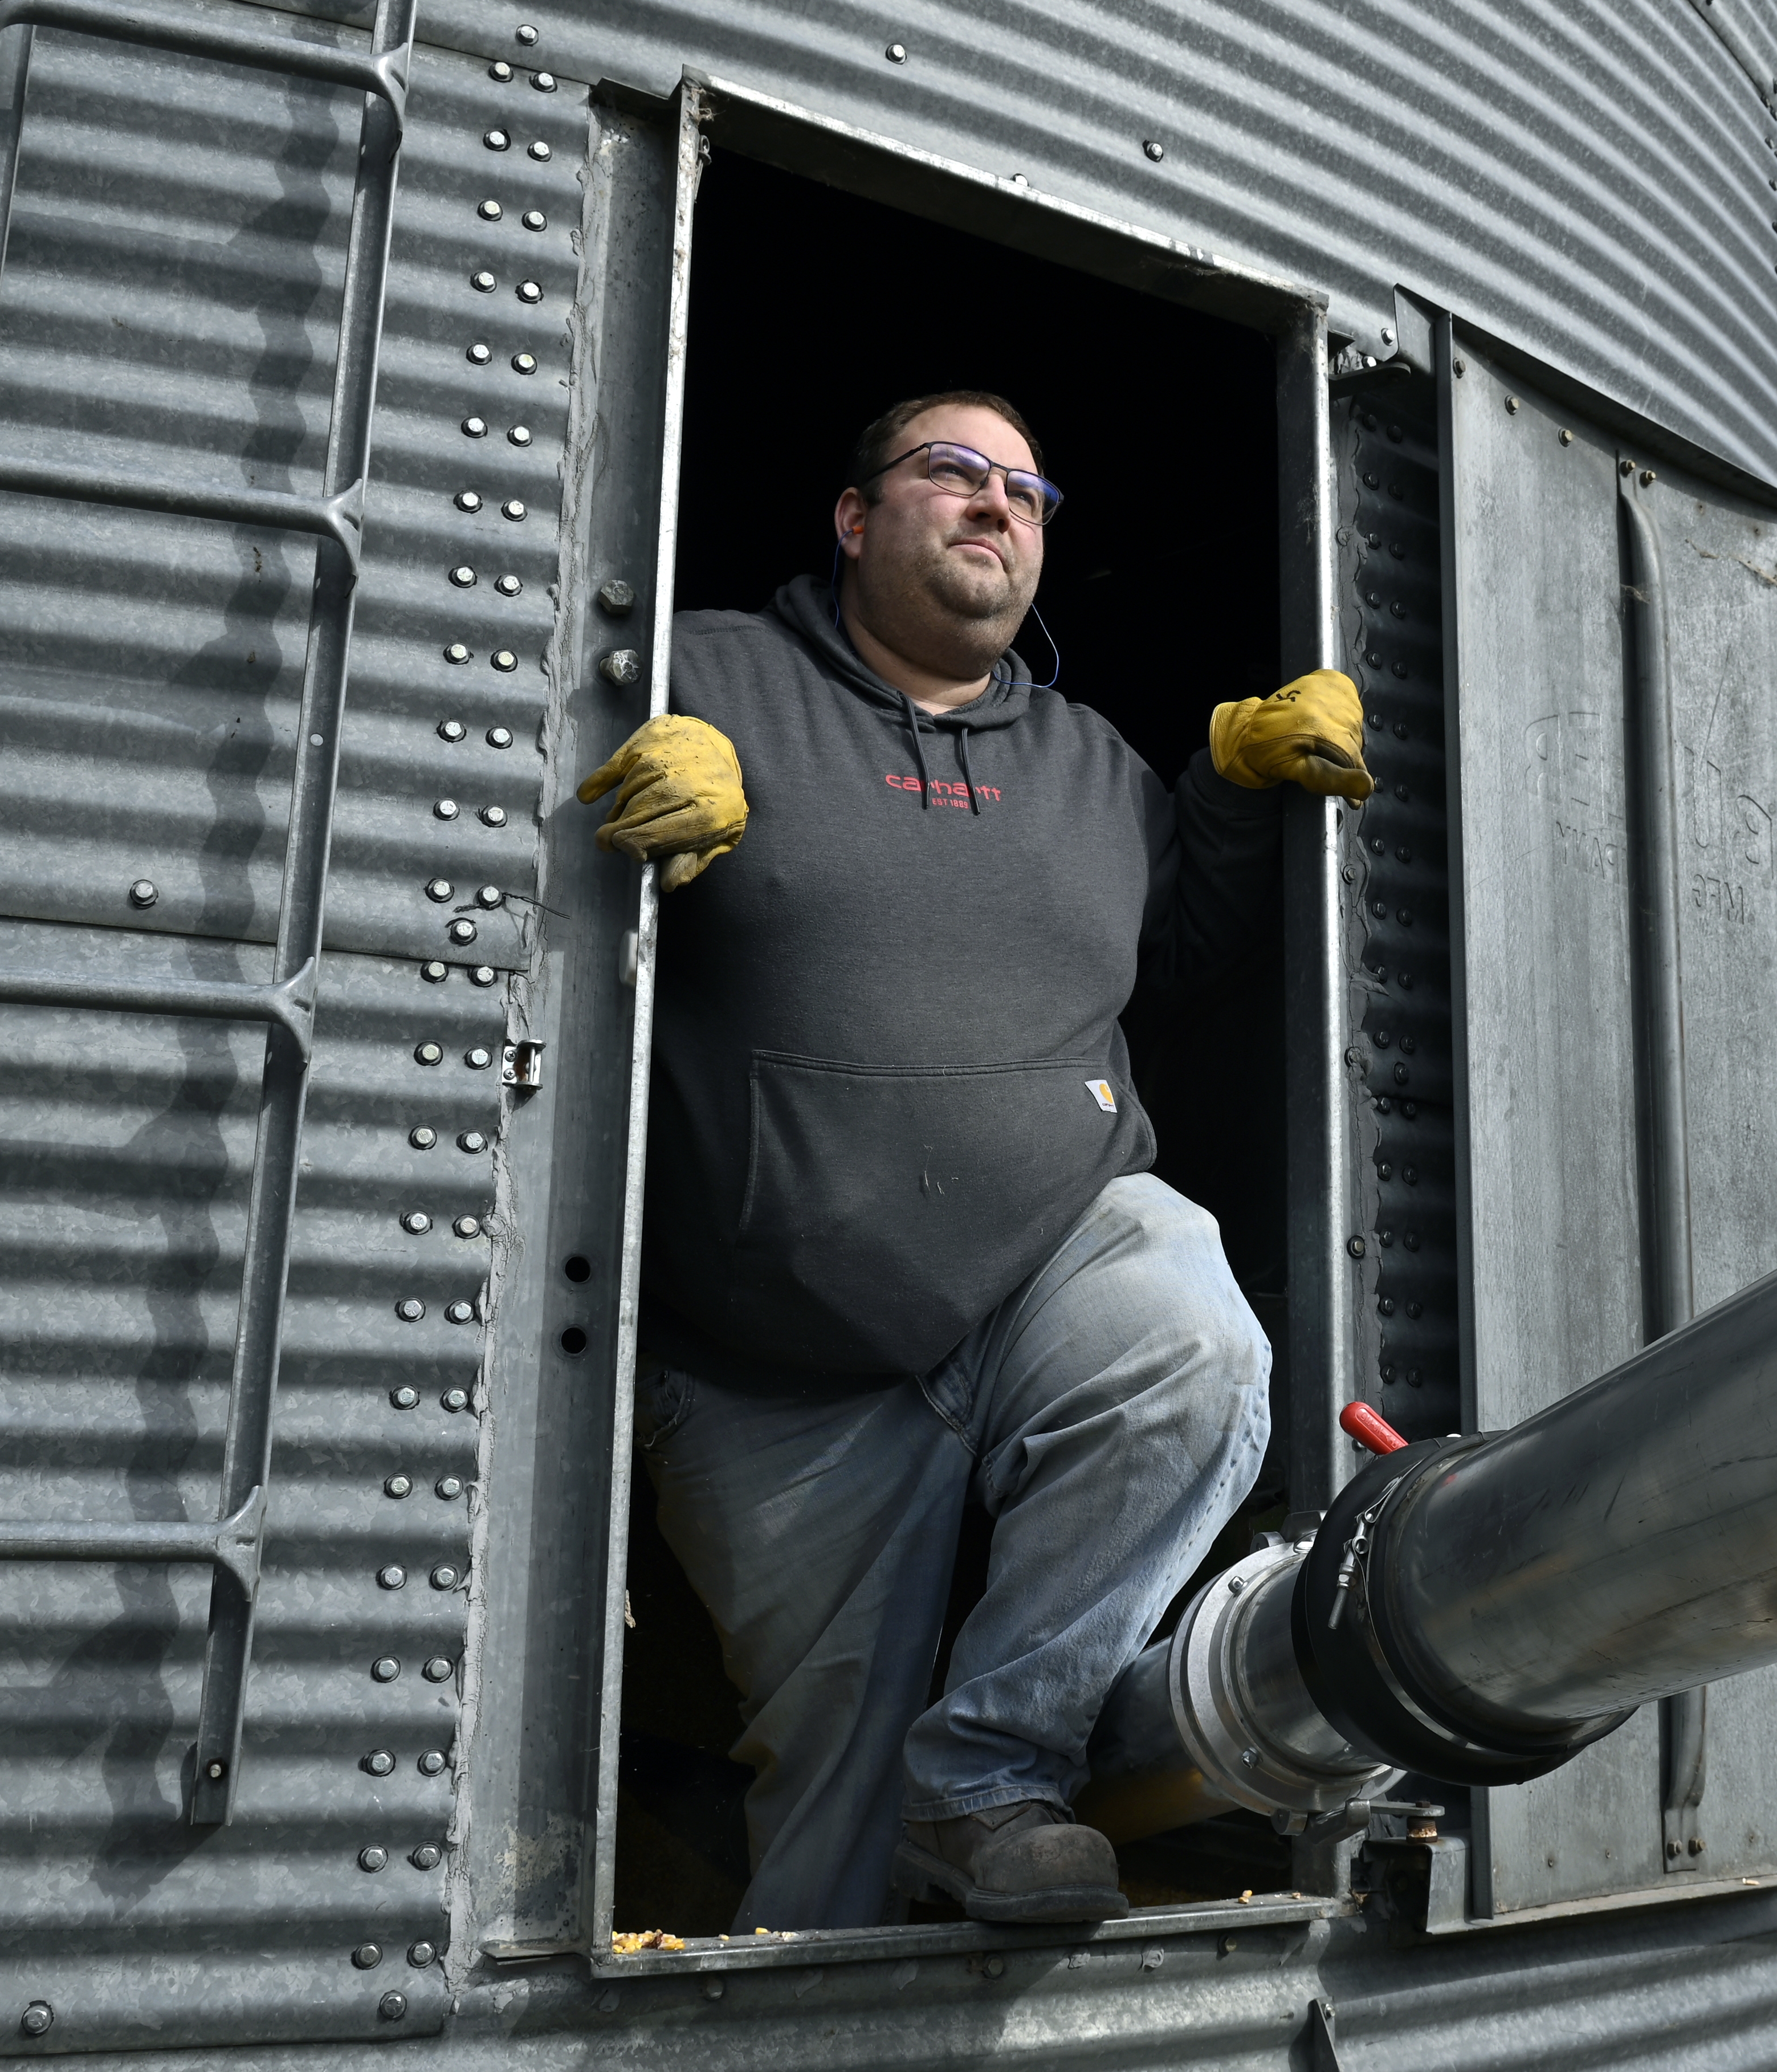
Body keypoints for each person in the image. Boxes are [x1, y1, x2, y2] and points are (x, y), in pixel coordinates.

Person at [576, 391, 1372, 1931]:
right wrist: (606, 775)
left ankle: (994, 1764)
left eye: (1027, 486)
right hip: (771, 1362)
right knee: (831, 1800)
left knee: (1193, 1339)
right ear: (857, 516)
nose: (997, 503)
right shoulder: (705, 671)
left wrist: (1231, 784)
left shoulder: (1090, 763)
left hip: (1043, 1266)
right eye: (952, 469)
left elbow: (1180, 966)